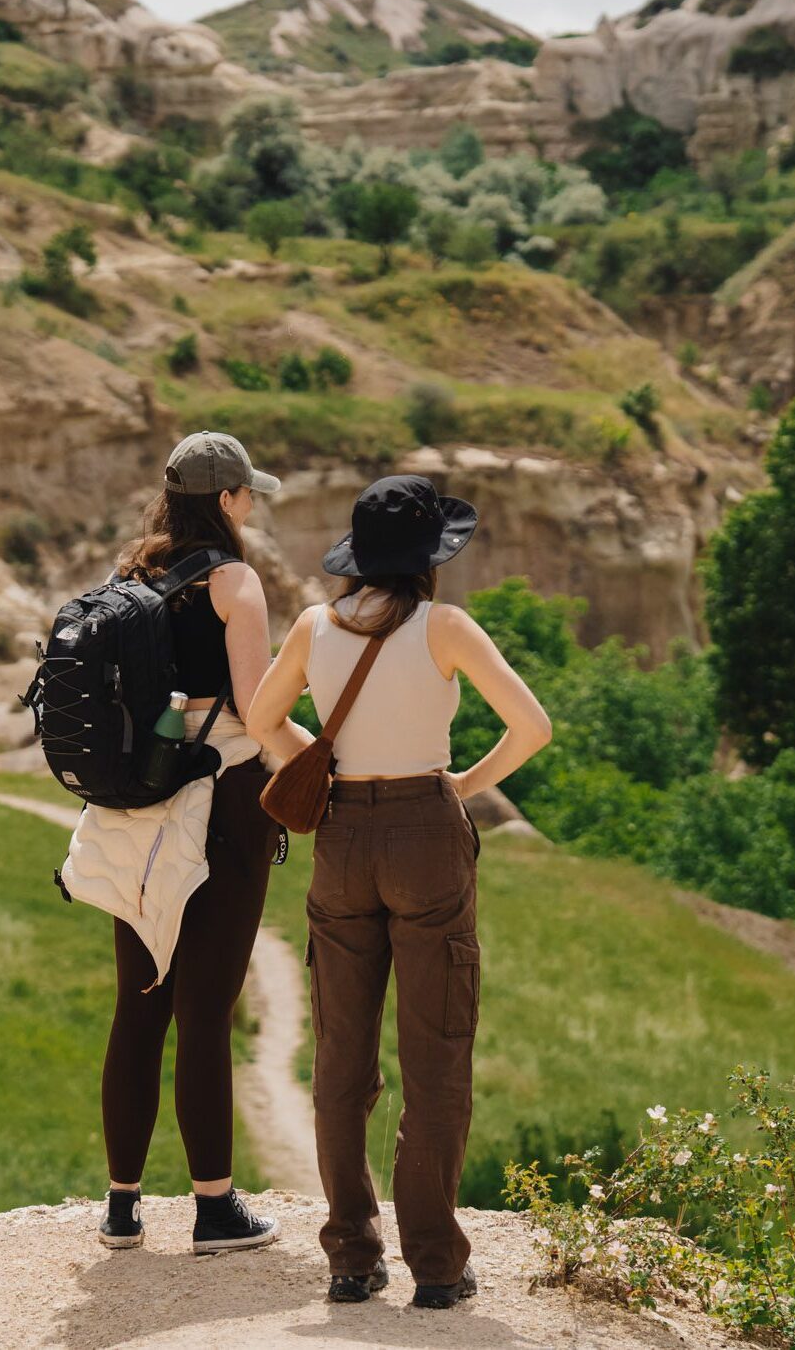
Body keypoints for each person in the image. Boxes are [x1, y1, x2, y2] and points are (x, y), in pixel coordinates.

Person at [246, 474, 552, 1310]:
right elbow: (533, 726)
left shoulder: (315, 625)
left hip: (343, 837)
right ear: (430, 558)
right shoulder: (446, 626)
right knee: (437, 1055)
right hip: (426, 829)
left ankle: (350, 1256)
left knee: (343, 1056)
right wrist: (463, 782)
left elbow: (261, 715)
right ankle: (437, 1264)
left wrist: (314, 759)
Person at [65, 432, 314, 1256]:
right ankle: (213, 1206)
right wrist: (328, 769)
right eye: (250, 495)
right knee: (206, 1009)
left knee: (139, 1005)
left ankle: (123, 1206)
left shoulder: (132, 573)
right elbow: (257, 707)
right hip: (221, 798)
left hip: (136, 800)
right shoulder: (234, 581)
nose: (253, 507)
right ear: (230, 499)